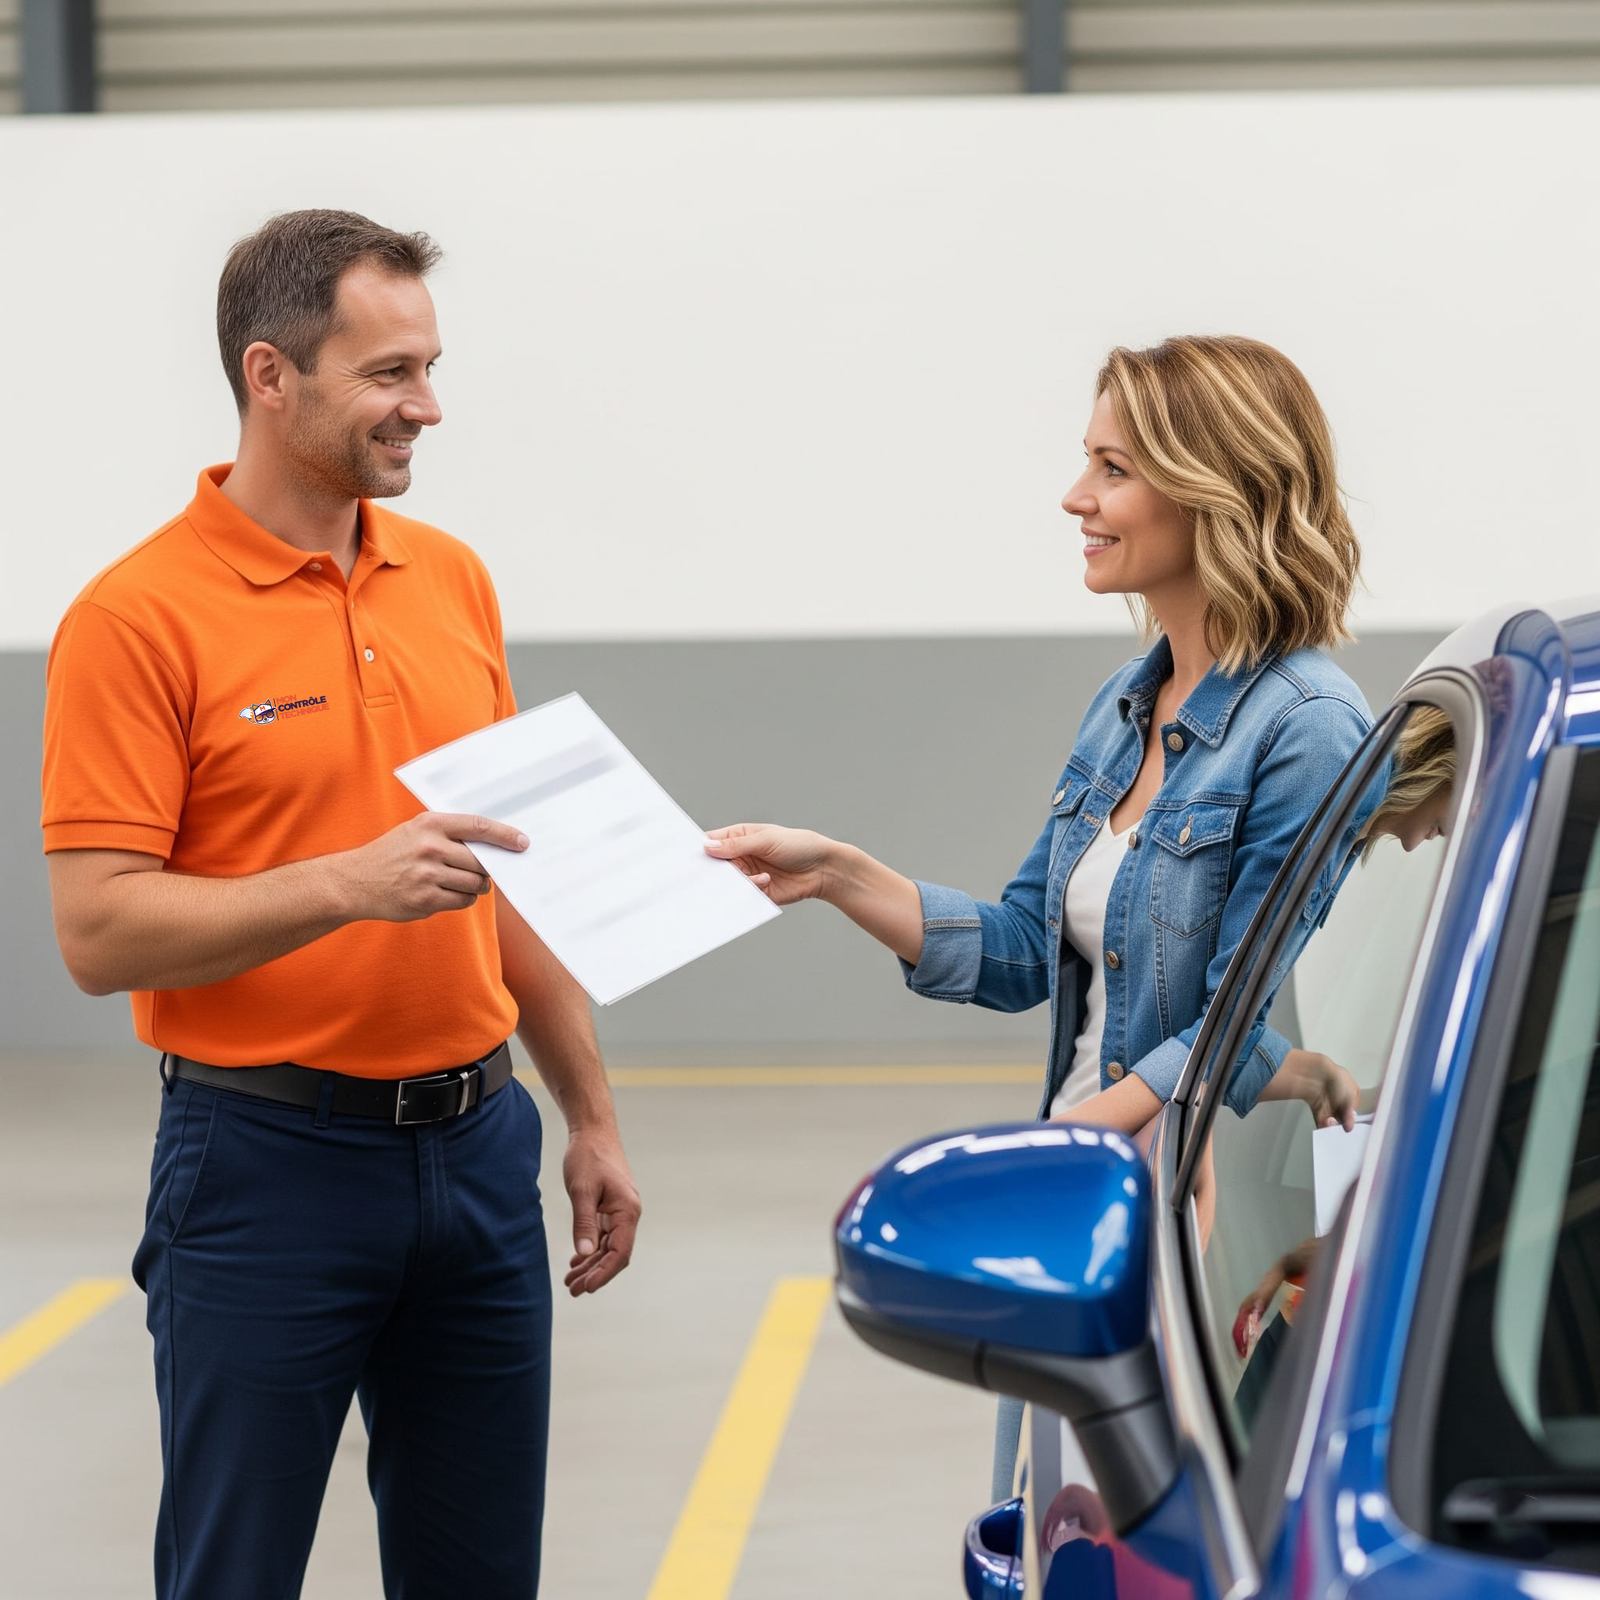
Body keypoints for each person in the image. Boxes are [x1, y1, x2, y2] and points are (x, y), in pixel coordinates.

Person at [40, 209, 641, 1600]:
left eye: (428, 367)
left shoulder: (452, 579)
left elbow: (507, 876)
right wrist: (348, 886)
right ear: (271, 375)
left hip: (480, 1153)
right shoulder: (135, 618)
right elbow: (99, 931)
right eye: (387, 373)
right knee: (234, 1575)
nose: (425, 405)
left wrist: (589, 1114)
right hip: (265, 1170)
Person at [706, 335, 1376, 1497]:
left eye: (1112, 469)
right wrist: (838, 874)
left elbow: (1230, 1024)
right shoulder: (1125, 704)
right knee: (1046, 1515)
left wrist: (1062, 1149)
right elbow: (1024, 950)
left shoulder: (1307, 724)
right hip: (1088, 1197)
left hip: (1174, 1210)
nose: (1076, 497)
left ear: (1214, 487)